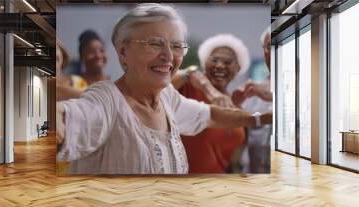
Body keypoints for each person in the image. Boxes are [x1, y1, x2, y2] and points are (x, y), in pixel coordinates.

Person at [56, 3, 272, 174]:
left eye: (176, 45)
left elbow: (210, 115)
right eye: (155, 43)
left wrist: (260, 118)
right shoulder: (107, 100)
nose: (168, 56)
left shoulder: (167, 97)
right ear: (123, 51)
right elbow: (71, 117)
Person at [171, 34, 251, 173]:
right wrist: (205, 86)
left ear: (237, 69)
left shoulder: (238, 109)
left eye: (227, 62)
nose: (220, 66)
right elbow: (163, 84)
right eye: (214, 60)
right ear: (204, 64)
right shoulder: (187, 88)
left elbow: (234, 161)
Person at [232, 26, 272, 173]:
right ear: (264, 52)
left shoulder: (310, 86)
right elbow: (240, 138)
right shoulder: (252, 92)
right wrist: (234, 106)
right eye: (269, 46)